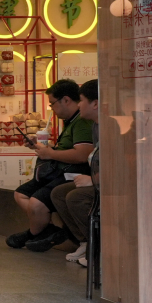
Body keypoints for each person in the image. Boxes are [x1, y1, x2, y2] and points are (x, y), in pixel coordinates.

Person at [9, 79, 95, 251]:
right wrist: (46, 149)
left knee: (39, 201)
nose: (52, 108)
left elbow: (82, 155)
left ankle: (40, 234)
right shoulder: (71, 122)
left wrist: (51, 154)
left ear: (66, 100)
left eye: (52, 103)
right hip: (59, 171)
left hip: (70, 174)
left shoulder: (82, 122)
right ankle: (46, 231)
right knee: (21, 194)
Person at [48, 79, 99, 263]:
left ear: (95, 103)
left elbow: (116, 163)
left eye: (82, 100)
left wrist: (94, 180)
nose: (79, 104)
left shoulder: (104, 127)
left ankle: (97, 248)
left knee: (75, 197)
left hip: (106, 182)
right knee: (59, 193)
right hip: (94, 177)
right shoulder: (95, 126)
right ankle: (85, 242)